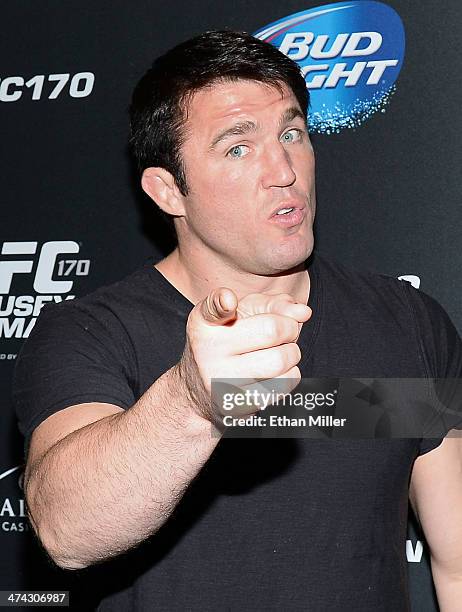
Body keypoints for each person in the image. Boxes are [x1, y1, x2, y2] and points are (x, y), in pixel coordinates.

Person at [13, 30, 462, 611]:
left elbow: (456, 563)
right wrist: (193, 402)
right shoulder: (91, 333)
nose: (284, 169)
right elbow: (68, 530)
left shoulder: (406, 323)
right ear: (168, 191)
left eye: (292, 133)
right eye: (237, 147)